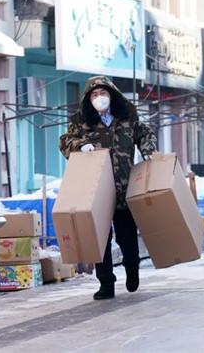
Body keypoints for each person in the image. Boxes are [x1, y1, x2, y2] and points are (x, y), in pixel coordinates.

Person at [59, 76, 156, 301]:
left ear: (111, 96)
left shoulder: (127, 118)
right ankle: (106, 283)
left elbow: (145, 134)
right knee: (100, 238)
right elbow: (65, 141)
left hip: (124, 189)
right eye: (94, 94)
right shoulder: (82, 122)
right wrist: (81, 145)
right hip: (96, 191)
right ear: (87, 99)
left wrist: (147, 150)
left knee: (127, 237)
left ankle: (132, 269)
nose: (99, 98)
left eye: (103, 93)